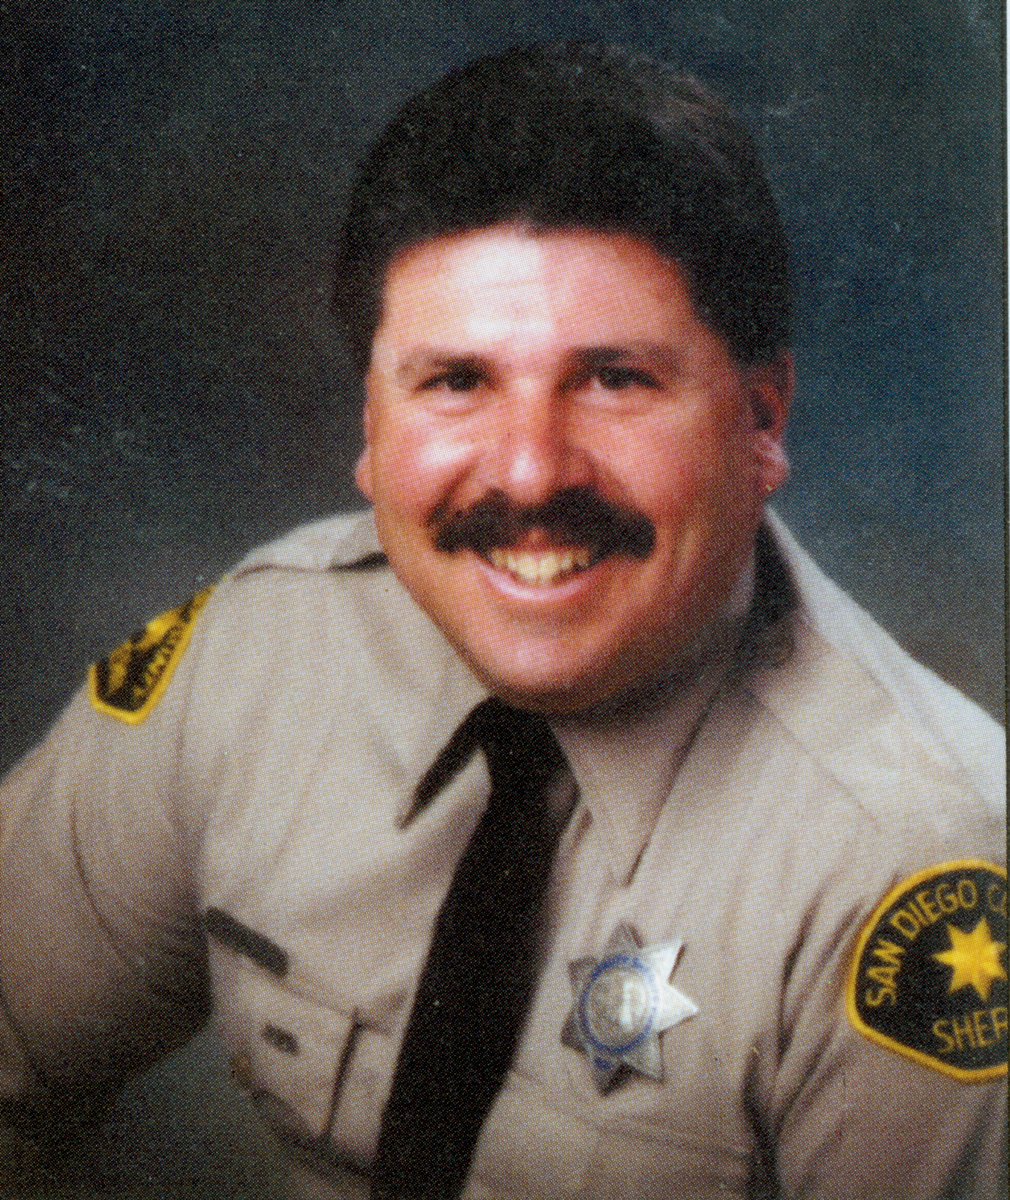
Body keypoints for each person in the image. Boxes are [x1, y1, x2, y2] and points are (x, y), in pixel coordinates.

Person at [0, 42, 1005, 1200]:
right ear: (371, 427)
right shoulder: (260, 658)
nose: (529, 471)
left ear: (760, 421)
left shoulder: (909, 866)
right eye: (456, 383)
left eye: (615, 379)